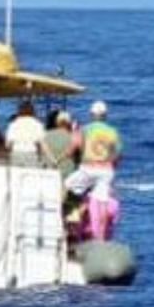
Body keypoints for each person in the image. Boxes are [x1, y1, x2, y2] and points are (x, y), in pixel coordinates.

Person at [64, 100, 123, 241]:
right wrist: (112, 166)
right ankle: (101, 238)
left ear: (91, 114)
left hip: (89, 167)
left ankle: (62, 218)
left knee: (65, 186)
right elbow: (118, 155)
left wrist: (65, 155)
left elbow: (73, 147)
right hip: (106, 170)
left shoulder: (85, 129)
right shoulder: (113, 132)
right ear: (105, 115)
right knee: (102, 202)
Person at [4, 100, 45, 164]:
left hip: (16, 152)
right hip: (31, 153)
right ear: (33, 111)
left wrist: (8, 156)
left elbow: (9, 144)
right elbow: (40, 144)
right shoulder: (38, 124)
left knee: (16, 173)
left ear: (19, 111)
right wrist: (40, 157)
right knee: (30, 174)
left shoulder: (13, 124)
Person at [41, 110, 78, 177]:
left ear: (57, 122)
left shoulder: (45, 136)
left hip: (49, 175)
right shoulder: (73, 137)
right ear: (69, 123)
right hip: (68, 175)